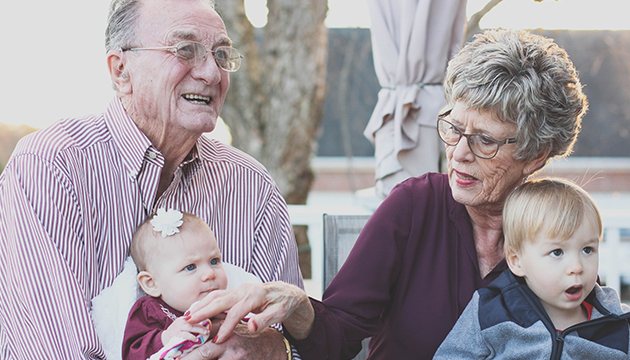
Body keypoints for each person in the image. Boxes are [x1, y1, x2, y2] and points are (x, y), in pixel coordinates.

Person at [186, 28, 590, 359]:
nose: (459, 154)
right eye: (453, 128)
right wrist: (299, 304)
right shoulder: (415, 206)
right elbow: (338, 336)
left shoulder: (563, 228)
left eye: (485, 140)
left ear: (535, 155)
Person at [0, 0, 302, 358]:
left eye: (221, 54)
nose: (211, 73)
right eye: (185, 50)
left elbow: (292, 340)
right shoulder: (52, 167)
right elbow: (52, 350)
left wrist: (268, 348)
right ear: (120, 70)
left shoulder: (252, 187)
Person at [434, 178, 630, 359]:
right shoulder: (491, 312)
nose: (577, 267)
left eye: (587, 250)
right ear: (516, 261)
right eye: (557, 252)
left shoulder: (618, 323)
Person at [123, 209, 228, 360]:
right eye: (190, 267)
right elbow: (131, 353)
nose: (210, 273)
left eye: (214, 261)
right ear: (152, 283)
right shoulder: (151, 310)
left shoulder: (227, 305)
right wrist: (165, 338)